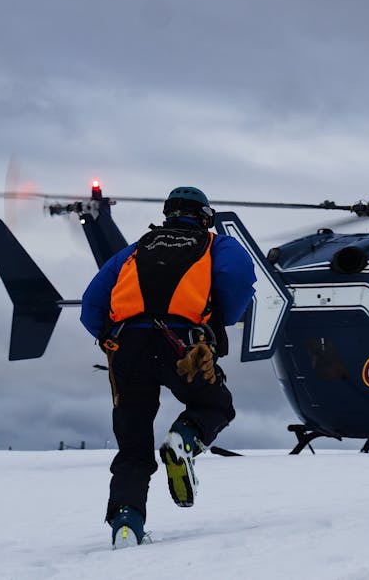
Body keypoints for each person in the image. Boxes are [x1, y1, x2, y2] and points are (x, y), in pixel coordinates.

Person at [80, 186, 256, 548]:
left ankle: (127, 526)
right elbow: (239, 283)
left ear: (167, 215)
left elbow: (91, 305)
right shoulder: (216, 245)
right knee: (215, 405)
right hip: (183, 346)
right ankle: (185, 441)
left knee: (133, 446)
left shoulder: (135, 250)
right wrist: (216, 323)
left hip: (127, 349)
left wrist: (111, 338)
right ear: (205, 216)